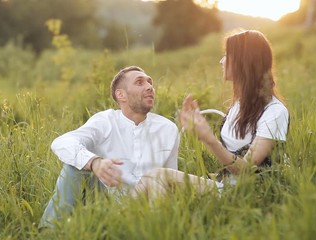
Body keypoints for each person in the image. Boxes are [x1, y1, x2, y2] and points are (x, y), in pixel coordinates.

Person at [133, 30, 290, 197]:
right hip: (224, 186)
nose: (221, 61)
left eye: (227, 54)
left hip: (249, 193)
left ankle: (136, 219)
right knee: (152, 180)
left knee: (156, 177)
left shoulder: (275, 111)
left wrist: (209, 139)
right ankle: (149, 221)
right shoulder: (238, 105)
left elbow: (247, 169)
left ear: (244, 61)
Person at [40, 66, 180, 228]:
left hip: (147, 208)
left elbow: (172, 178)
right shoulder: (105, 121)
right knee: (76, 165)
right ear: (121, 95)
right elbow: (62, 142)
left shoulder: (168, 129)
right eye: (140, 82)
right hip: (107, 204)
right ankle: (48, 231)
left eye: (150, 82)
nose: (149, 87)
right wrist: (95, 162)